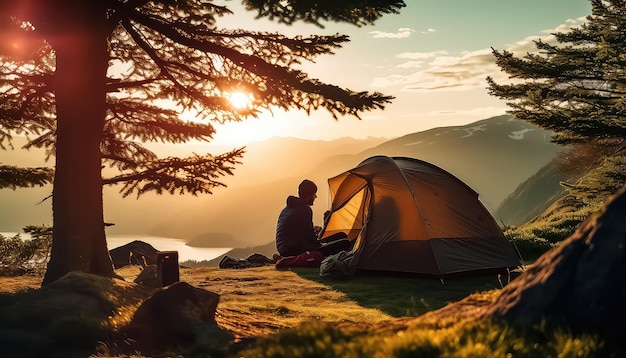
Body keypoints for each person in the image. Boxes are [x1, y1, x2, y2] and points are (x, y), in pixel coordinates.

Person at [275, 179, 351, 258]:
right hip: (295, 251)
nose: (315, 197)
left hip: (285, 249)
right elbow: (310, 238)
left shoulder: (288, 207)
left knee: (341, 235)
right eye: (314, 194)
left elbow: (301, 233)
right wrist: (321, 241)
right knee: (344, 243)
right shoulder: (305, 209)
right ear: (309, 196)